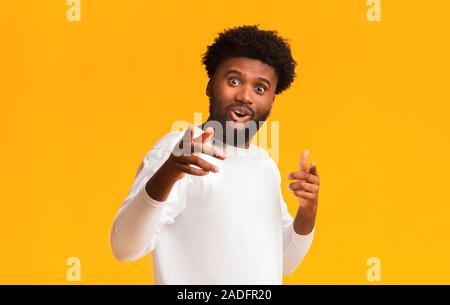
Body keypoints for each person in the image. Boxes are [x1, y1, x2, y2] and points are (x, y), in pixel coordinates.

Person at [110, 25, 321, 284]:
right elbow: (124, 248)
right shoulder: (179, 151)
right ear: (210, 86)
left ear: (271, 101)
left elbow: (284, 261)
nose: (245, 95)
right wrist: (168, 173)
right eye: (234, 81)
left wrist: (308, 210)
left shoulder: (264, 165)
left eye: (260, 88)